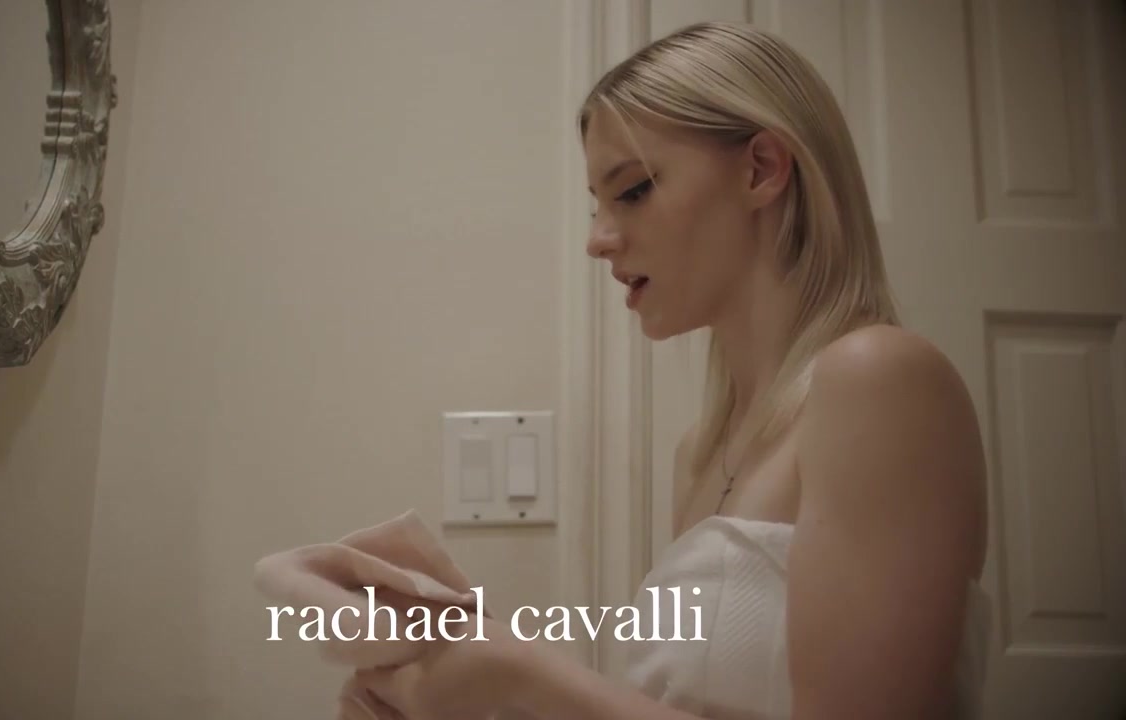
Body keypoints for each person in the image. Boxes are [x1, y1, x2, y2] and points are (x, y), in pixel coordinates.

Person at [353, 20, 991, 720]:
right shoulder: (699, 457)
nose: (598, 240)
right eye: (597, 206)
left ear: (761, 169)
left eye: (632, 191)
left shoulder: (879, 379)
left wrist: (519, 674)